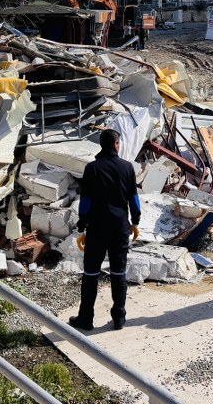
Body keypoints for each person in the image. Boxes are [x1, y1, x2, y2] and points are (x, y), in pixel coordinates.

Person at [69, 129, 141, 331]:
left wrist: (82, 225)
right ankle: (119, 317)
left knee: (91, 274)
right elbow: (133, 199)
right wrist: (135, 220)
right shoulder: (127, 168)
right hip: (120, 228)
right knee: (119, 272)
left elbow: (86, 201)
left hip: (97, 229)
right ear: (116, 144)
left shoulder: (92, 168)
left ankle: (86, 319)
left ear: (102, 145)